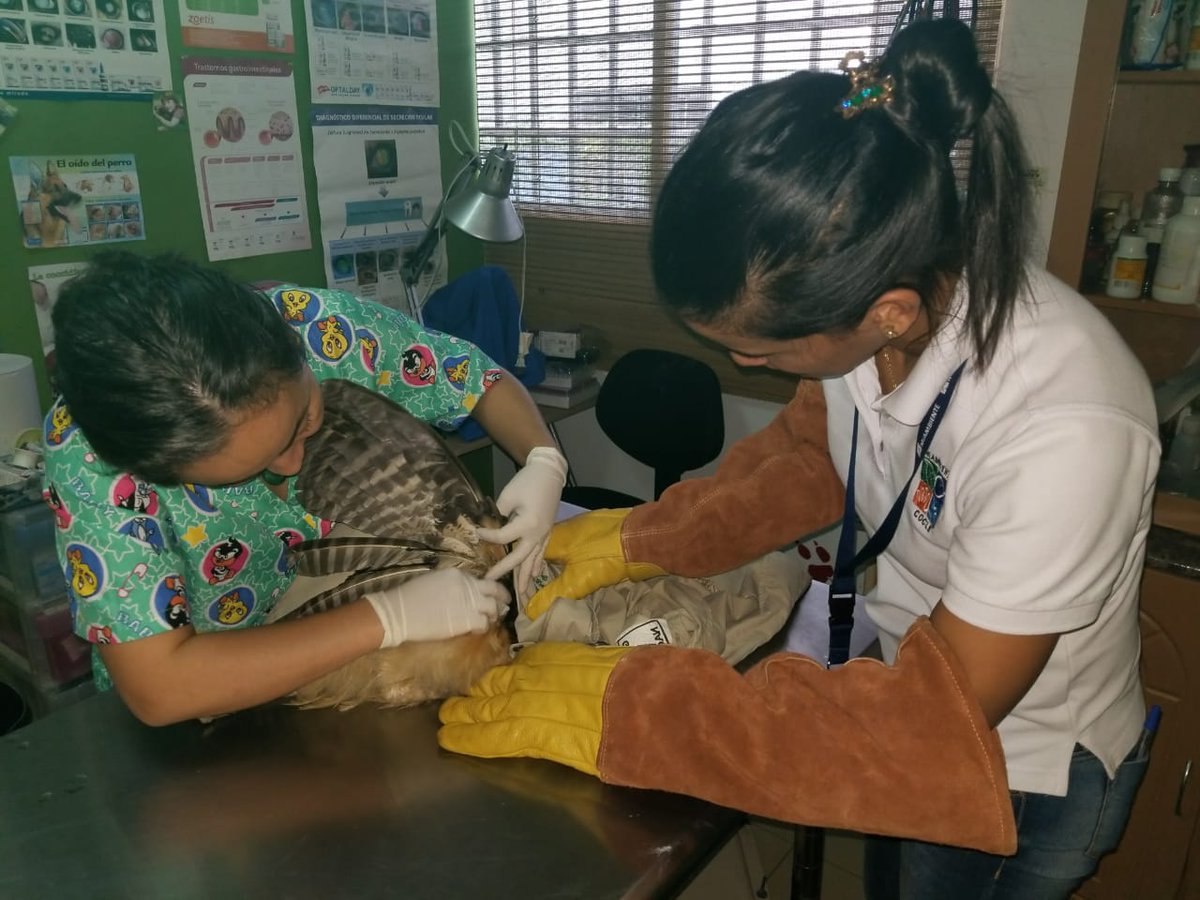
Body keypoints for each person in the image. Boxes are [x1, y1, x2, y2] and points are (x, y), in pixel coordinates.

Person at [437, 20, 1160, 899]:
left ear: (889, 313)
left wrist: (640, 714)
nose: (746, 367)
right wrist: (634, 540)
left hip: (1023, 763)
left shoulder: (1065, 427)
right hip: (906, 667)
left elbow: (931, 726)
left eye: (760, 351)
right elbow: (810, 456)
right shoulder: (884, 295)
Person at [43, 251, 568, 726]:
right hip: (206, 708)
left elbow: (478, 381)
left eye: (304, 420)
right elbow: (160, 688)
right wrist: (386, 617)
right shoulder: (91, 462)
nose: (293, 463)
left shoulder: (319, 327)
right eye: (253, 467)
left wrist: (543, 460)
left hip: (336, 661)